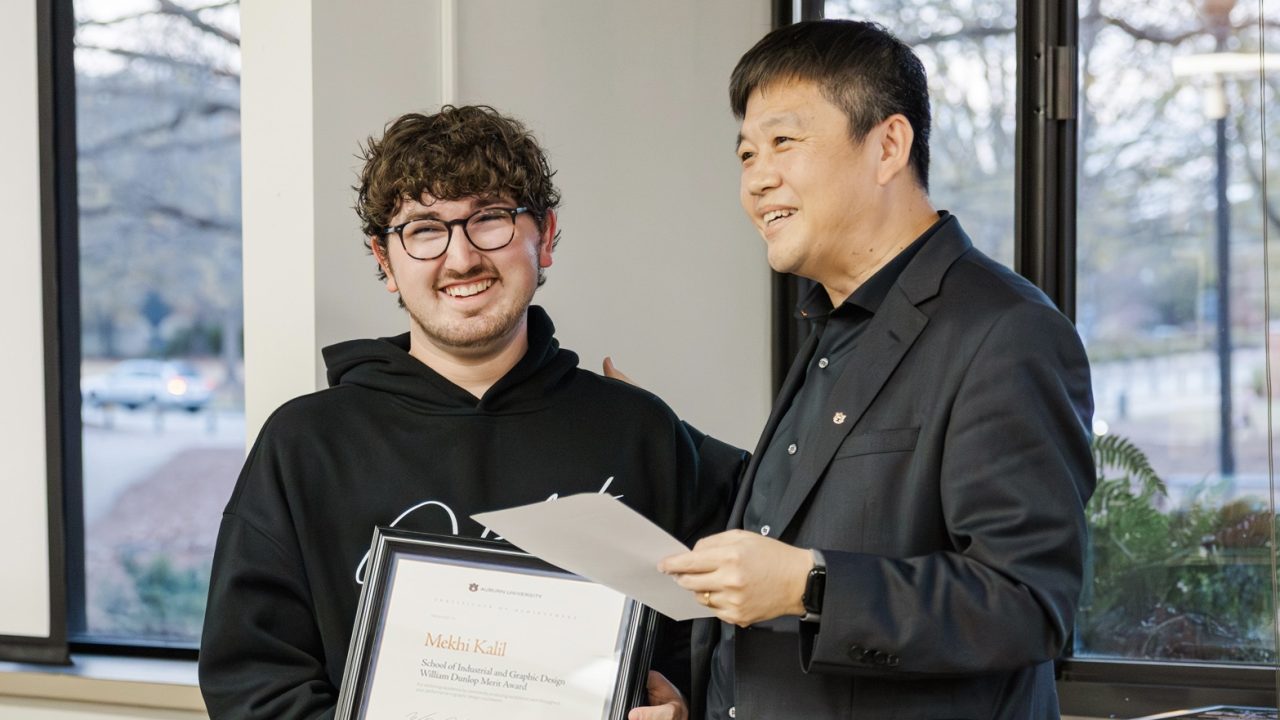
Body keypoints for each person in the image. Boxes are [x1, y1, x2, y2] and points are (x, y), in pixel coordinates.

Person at [198, 105, 740, 720]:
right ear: (384, 261)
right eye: (424, 229)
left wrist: (685, 706)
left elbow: (713, 647)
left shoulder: (639, 432)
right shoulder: (305, 444)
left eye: (490, 220)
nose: (460, 259)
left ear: (548, 236)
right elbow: (253, 684)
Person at [626, 19, 1095, 720]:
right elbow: (828, 502)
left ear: (888, 146)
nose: (758, 179)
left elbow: (1027, 603)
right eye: (747, 153)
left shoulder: (1006, 331)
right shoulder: (832, 322)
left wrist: (812, 586)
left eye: (784, 142)